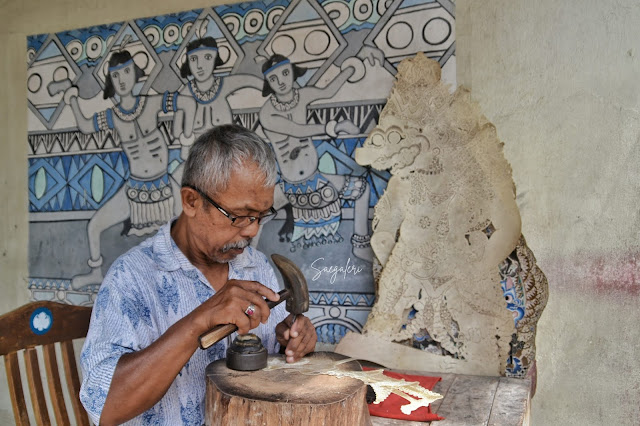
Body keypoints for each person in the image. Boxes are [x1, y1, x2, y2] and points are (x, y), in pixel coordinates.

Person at [79, 124, 317, 425]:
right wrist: (199, 320)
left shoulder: (255, 267)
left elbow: (269, 369)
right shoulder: (132, 278)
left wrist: (290, 343)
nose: (252, 230)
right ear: (192, 201)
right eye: (239, 216)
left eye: (260, 216)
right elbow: (106, 407)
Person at [64, 45, 196, 289]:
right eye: (115, 75)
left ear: (135, 74)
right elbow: (84, 125)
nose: (121, 79)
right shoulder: (113, 116)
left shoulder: (152, 103)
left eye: (125, 72)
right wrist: (72, 100)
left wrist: (186, 138)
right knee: (94, 226)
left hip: (165, 187)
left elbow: (187, 103)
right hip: (134, 189)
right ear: (111, 82)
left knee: (193, 227)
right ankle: (95, 272)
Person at [258, 54, 372, 260]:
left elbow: (328, 91)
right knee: (253, 217)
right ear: (268, 83)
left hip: (316, 179)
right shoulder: (267, 113)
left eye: (285, 73)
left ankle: (360, 245)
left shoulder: (301, 96)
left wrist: (350, 68)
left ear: (293, 72)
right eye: (273, 78)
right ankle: (246, 262)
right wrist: (336, 127)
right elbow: (297, 130)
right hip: (289, 186)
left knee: (362, 189)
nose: (281, 81)